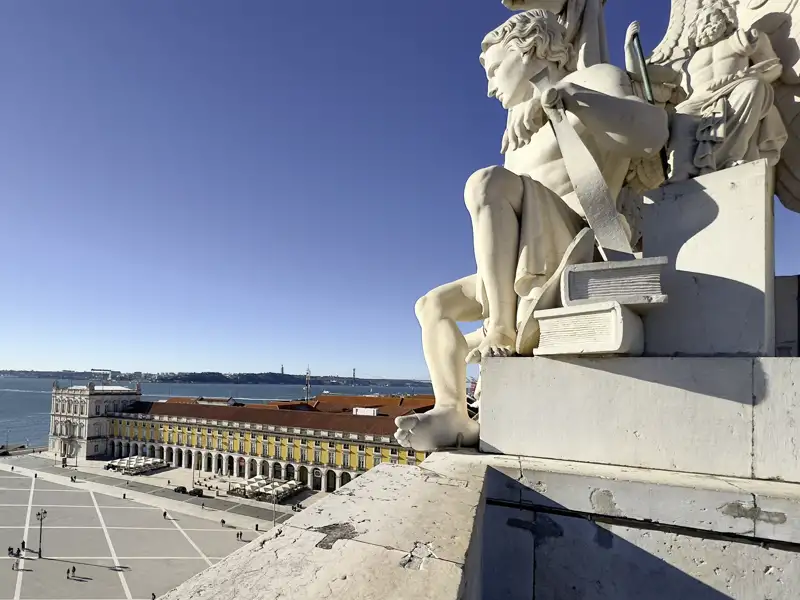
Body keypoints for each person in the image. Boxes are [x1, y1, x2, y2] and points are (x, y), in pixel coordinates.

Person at [394, 8, 668, 452]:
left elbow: (651, 134)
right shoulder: (518, 125)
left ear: (530, 49)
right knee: (431, 307)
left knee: (484, 181)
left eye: (495, 69)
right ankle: (453, 411)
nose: (489, 86)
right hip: (523, 259)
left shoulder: (596, 79)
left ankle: (500, 328)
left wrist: (568, 97)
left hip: (574, 240)